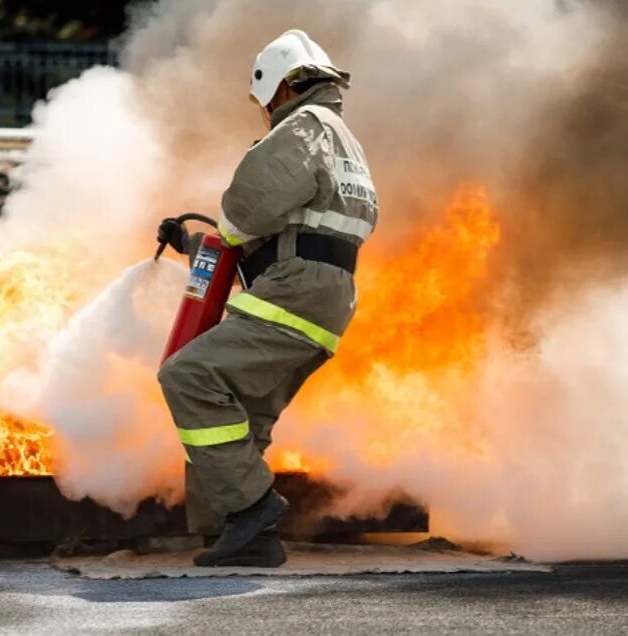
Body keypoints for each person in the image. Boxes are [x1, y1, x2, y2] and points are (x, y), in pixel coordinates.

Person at [157, 29, 378, 567]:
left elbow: (245, 213)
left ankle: (254, 510)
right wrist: (194, 244)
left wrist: (219, 227)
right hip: (322, 296)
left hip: (294, 293)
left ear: (281, 89)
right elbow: (279, 238)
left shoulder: (304, 127)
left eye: (265, 100)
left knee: (187, 375)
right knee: (244, 411)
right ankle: (247, 537)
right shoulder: (345, 141)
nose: (265, 112)